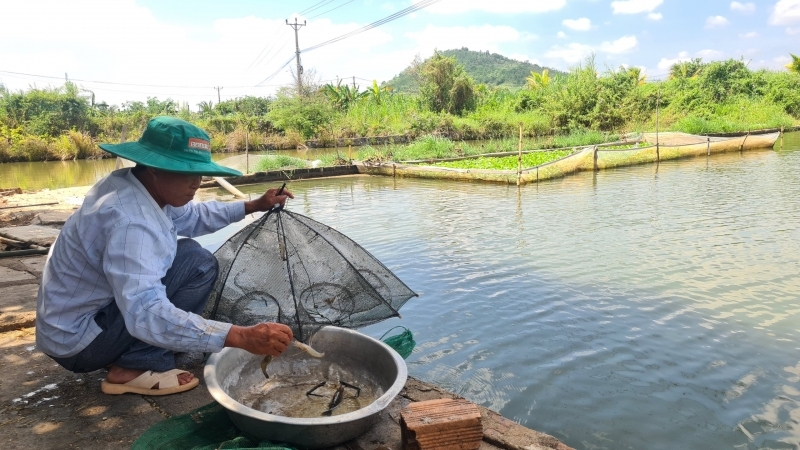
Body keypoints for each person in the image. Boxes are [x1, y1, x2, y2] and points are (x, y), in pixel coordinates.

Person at [35, 116, 295, 396]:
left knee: (193, 257)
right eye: (187, 172)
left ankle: (126, 353)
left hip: (69, 325)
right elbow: (146, 311)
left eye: (200, 172)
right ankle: (133, 366)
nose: (197, 182)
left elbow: (192, 216)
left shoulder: (130, 184)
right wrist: (241, 336)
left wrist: (254, 205)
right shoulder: (132, 222)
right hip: (79, 343)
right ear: (155, 168)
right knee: (197, 266)